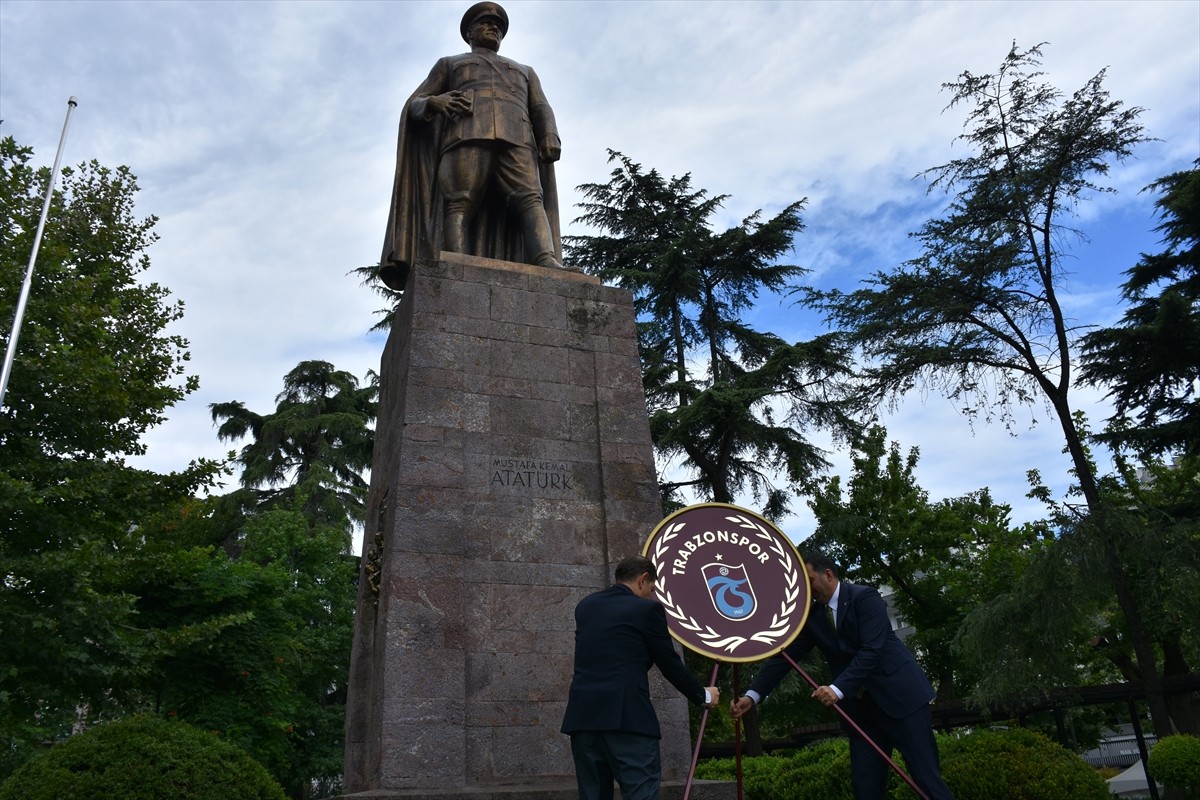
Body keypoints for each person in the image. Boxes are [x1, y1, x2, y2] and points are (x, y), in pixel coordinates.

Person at [730, 553, 954, 800]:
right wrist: (752, 696)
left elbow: (872, 650)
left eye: (809, 580)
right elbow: (784, 658)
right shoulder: (813, 618)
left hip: (902, 702)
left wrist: (836, 689)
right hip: (861, 714)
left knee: (926, 780)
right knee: (865, 789)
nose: (806, 589)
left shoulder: (864, 597)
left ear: (827, 574)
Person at [379, 1, 566, 290]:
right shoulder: (449, 64)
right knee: (460, 200)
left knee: (531, 198)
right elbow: (414, 104)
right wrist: (432, 102)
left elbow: (540, 106)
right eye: (485, 23)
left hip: (518, 138)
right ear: (469, 32)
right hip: (465, 134)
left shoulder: (525, 71)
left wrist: (549, 134)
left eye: (498, 27)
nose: (493, 28)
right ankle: (456, 259)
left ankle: (546, 259)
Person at [561, 555, 720, 800]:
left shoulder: (586, 606)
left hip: (583, 719)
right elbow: (669, 664)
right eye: (652, 589)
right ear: (642, 580)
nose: (651, 595)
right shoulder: (647, 609)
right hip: (627, 719)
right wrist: (703, 694)